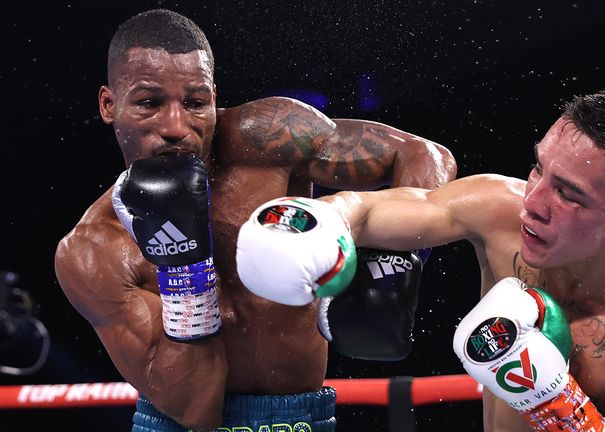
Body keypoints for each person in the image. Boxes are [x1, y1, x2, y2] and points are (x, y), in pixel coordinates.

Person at [53, 8, 456, 432]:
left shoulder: (265, 140)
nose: (176, 126)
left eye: (195, 102)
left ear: (214, 97)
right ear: (109, 104)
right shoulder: (94, 249)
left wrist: (394, 264)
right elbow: (194, 410)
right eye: (149, 103)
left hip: (303, 418)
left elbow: (421, 154)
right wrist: (184, 269)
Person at [243, 87, 605, 431]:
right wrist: (310, 224)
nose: (534, 201)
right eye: (539, 168)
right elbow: (371, 211)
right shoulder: (500, 210)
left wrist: (556, 404)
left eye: (570, 195)